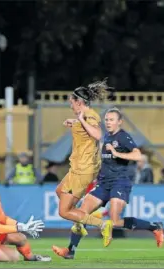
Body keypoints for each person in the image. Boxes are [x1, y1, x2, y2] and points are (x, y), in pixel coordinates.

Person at [52, 108, 164, 259]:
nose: (108, 122)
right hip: (103, 183)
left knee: (115, 220)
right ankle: (70, 251)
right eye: (106, 119)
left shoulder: (123, 137)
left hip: (119, 182)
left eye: (111, 119)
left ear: (120, 122)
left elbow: (138, 155)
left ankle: (154, 227)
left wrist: (117, 153)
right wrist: (77, 122)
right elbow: (92, 131)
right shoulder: (105, 136)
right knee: (81, 214)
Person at [54, 79, 114, 247]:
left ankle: (102, 224)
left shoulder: (88, 116)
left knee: (64, 211)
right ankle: (80, 223)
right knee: (59, 191)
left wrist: (81, 119)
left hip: (82, 170)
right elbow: (86, 128)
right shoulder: (84, 117)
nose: (71, 107)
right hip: (78, 168)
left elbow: (97, 134)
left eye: (72, 104)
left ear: (79, 102)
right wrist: (75, 122)